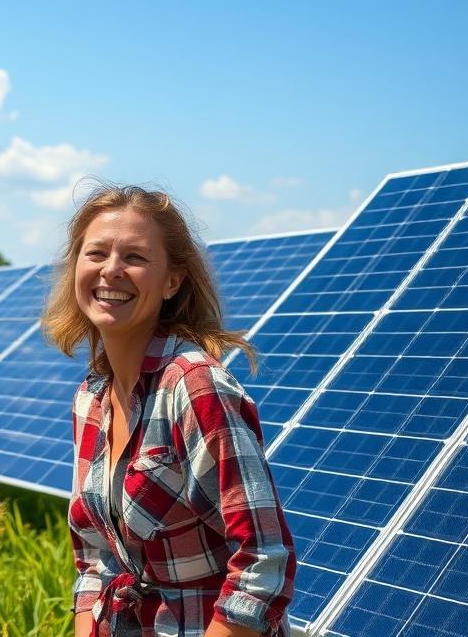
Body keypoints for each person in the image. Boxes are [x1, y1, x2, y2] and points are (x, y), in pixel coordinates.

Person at [42, 184, 296, 637]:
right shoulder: (91, 400)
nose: (112, 271)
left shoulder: (194, 386)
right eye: (96, 253)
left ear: (172, 281)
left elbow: (262, 561)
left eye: (135, 258)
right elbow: (95, 558)